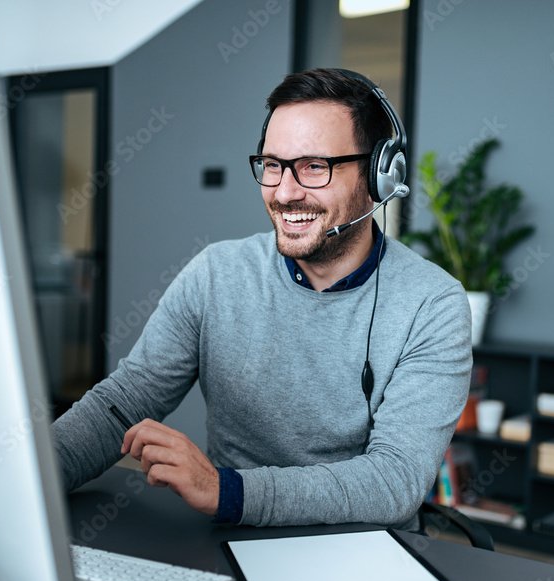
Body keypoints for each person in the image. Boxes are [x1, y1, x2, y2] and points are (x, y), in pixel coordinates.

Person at [53, 68, 472, 530]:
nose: (285, 192)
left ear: (378, 176)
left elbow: (394, 481)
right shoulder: (216, 274)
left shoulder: (433, 304)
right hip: (232, 540)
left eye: (315, 166)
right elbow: (125, 401)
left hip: (363, 553)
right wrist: (30, 478)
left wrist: (227, 491)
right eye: (273, 165)